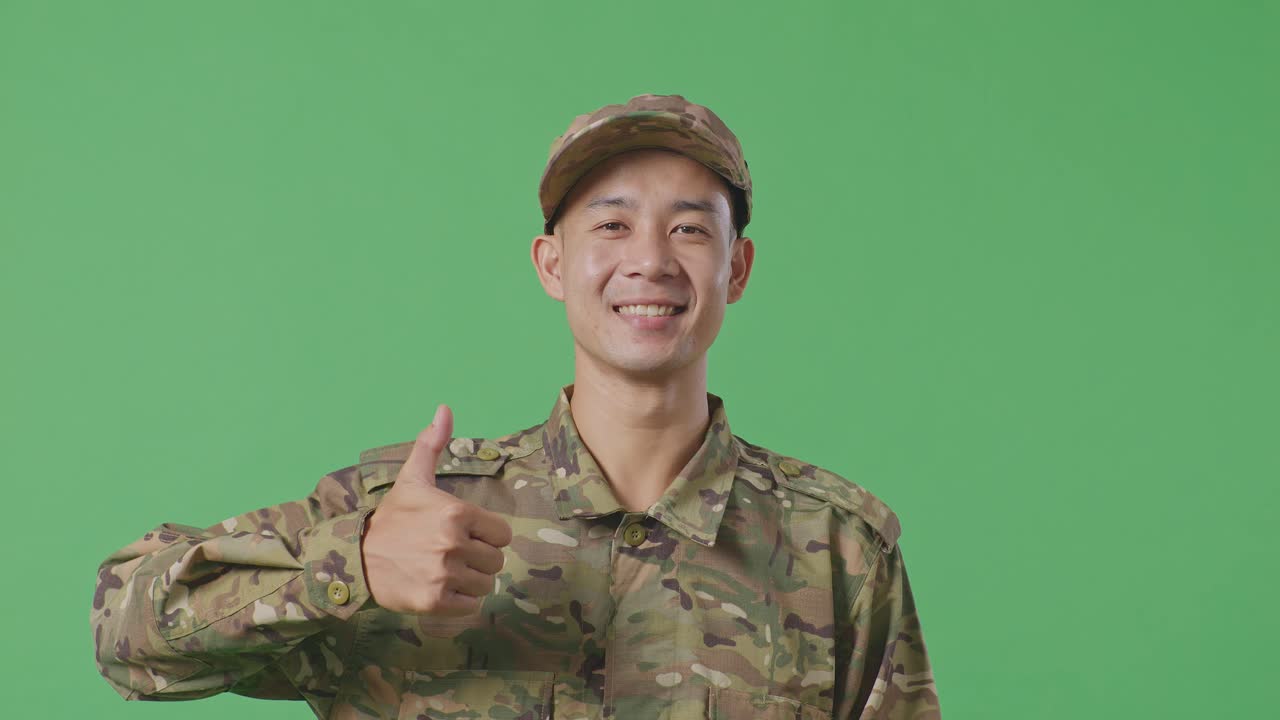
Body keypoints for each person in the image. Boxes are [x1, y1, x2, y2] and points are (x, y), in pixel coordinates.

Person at [90, 93, 942, 719]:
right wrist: (349, 567)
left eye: (689, 228)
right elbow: (126, 634)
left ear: (738, 269)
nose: (649, 259)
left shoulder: (835, 549)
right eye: (610, 226)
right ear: (550, 264)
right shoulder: (407, 519)